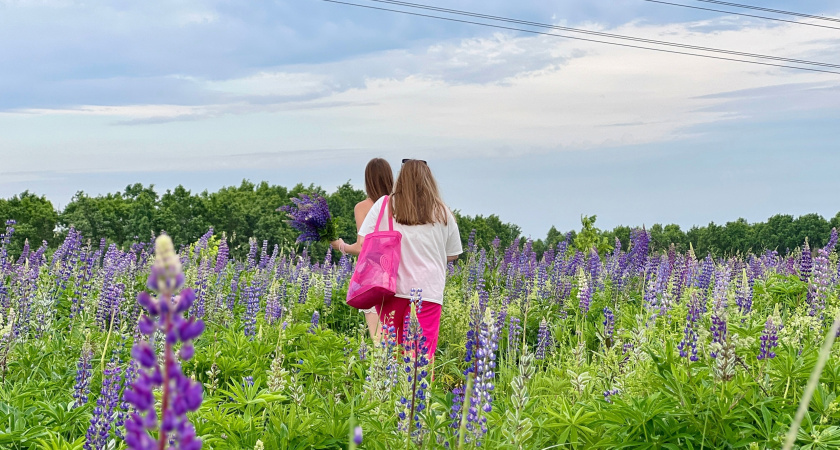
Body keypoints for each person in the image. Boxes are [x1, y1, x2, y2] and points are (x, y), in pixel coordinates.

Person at [332, 159, 461, 362]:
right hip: (428, 293)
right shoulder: (443, 212)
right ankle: (420, 393)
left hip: (392, 290)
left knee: (391, 355)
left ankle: (390, 393)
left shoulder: (384, 205)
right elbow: (453, 254)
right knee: (423, 358)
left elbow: (364, 243)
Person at [336, 158, 394, 343]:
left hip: (372, 277)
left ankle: (381, 372)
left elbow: (363, 248)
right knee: (400, 339)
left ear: (368, 180)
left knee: (378, 339)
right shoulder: (401, 204)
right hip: (397, 273)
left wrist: (341, 246)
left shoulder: (362, 207)